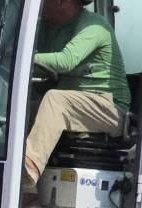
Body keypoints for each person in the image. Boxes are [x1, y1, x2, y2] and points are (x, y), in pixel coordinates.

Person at [24, 0, 131, 196]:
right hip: (79, 104)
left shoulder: (94, 26)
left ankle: (27, 168)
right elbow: (39, 55)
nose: (42, 6)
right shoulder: (49, 28)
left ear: (61, 2)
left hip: (110, 108)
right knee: (23, 108)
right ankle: (26, 193)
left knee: (55, 101)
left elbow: (65, 61)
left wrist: (19, 56)